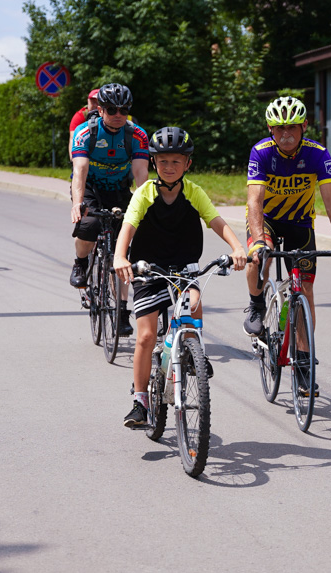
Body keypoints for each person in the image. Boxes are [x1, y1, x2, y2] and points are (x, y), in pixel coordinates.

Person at [114, 126, 247, 427]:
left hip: (183, 267)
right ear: (154, 164)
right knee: (146, 335)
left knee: (193, 301)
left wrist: (237, 247)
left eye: (176, 161)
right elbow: (129, 227)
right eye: (163, 161)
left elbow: (216, 221)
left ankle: (193, 352)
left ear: (188, 164)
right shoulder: (145, 193)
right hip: (147, 268)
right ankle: (139, 400)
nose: (169, 167)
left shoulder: (194, 192)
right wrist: (120, 256)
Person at [243, 96, 331, 390]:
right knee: (258, 257)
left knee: (305, 289)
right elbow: (254, 201)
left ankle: (303, 361)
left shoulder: (318, 154)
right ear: (270, 128)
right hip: (266, 220)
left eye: (291, 127)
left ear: (304, 125)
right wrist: (256, 242)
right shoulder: (261, 152)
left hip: (300, 224)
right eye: (278, 129)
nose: (286, 134)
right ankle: (256, 304)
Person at [69, 83, 149, 337]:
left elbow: (140, 174)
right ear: (101, 110)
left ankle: (122, 311)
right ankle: (81, 263)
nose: (118, 114)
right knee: (89, 225)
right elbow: (80, 171)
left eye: (124, 110)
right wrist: (77, 203)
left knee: (122, 252)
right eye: (112, 109)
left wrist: (145, 207)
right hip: (91, 189)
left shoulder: (136, 135)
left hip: (119, 191)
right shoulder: (85, 133)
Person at [68, 89, 99, 161]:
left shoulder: (110, 115)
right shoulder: (81, 116)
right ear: (88, 101)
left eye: (99, 102)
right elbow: (73, 138)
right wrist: (73, 159)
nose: (96, 105)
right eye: (93, 101)